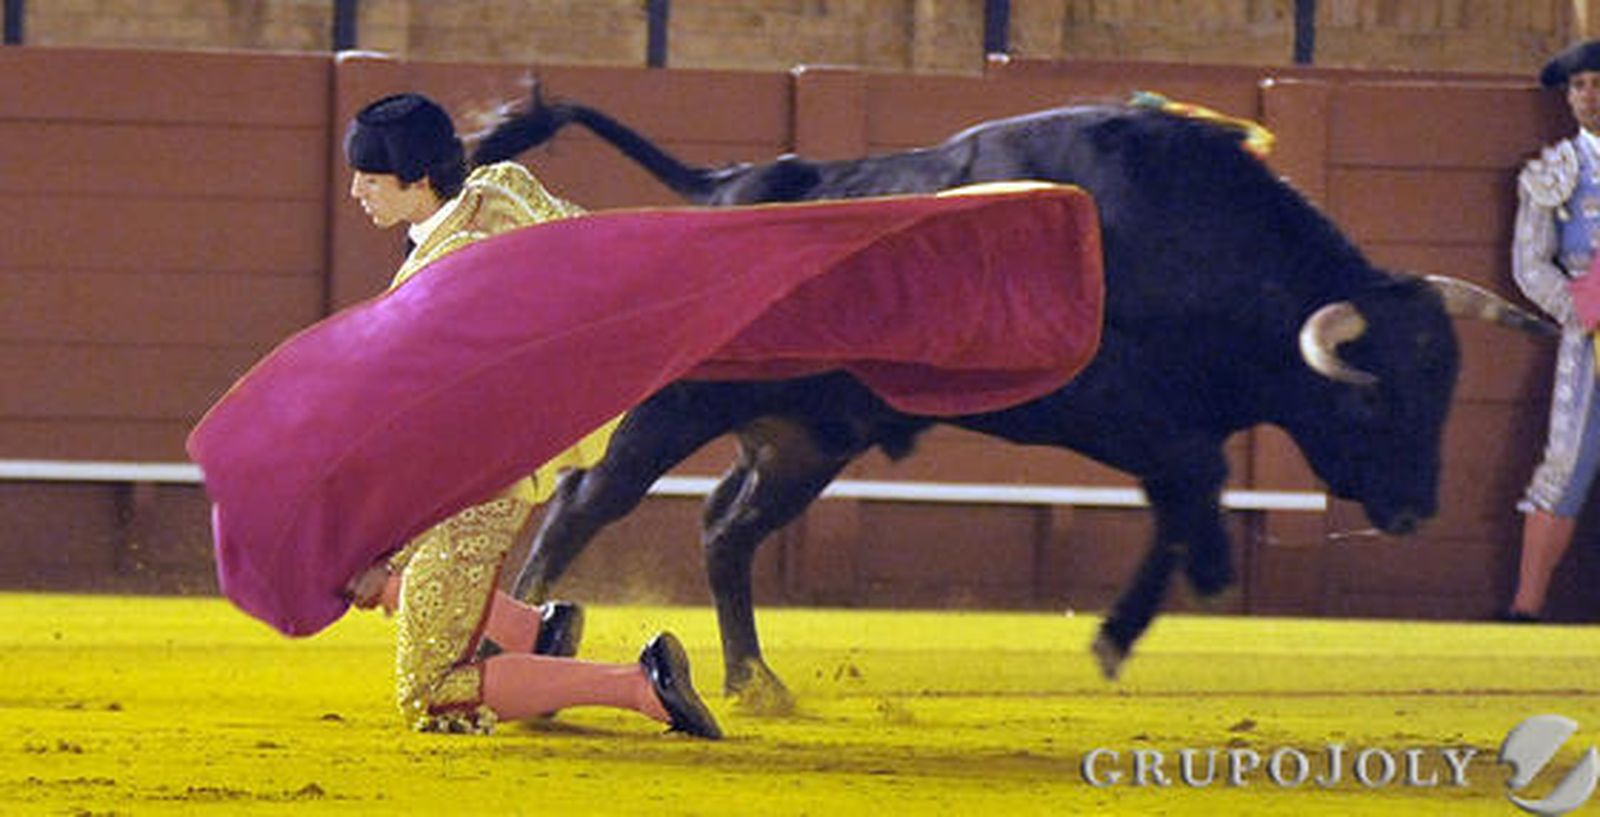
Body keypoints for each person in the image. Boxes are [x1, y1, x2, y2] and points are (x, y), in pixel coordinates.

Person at [339, 92, 719, 737]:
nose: (355, 192)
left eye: (370, 180)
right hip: (492, 458)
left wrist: (390, 535)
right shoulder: (503, 186)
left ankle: (641, 686)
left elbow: (435, 423)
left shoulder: (437, 282)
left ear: (418, 179)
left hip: (473, 483)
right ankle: (534, 631)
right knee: (356, 566)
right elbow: (598, 252)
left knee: (432, 691)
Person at [1506, 41, 1600, 622]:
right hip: (1590, 338)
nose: (1591, 95)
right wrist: (1584, 308)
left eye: (1599, 82)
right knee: (1564, 467)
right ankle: (1525, 610)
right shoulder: (1555, 172)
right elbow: (1529, 264)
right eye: (1581, 85)